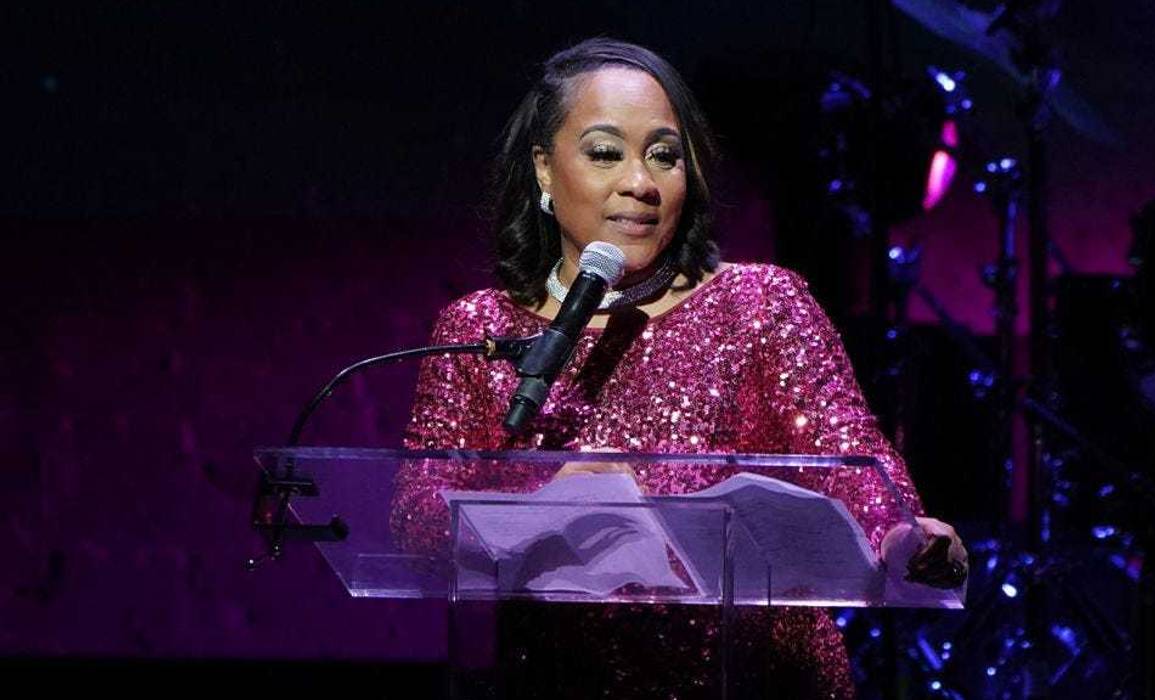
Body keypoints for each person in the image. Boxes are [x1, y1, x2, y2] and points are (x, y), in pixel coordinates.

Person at [391, 37, 968, 698]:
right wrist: (536, 510)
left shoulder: (760, 304)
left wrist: (902, 535)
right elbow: (415, 520)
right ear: (544, 169)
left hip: (760, 684)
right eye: (605, 153)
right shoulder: (481, 330)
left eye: (663, 156)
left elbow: (850, 459)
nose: (640, 183)